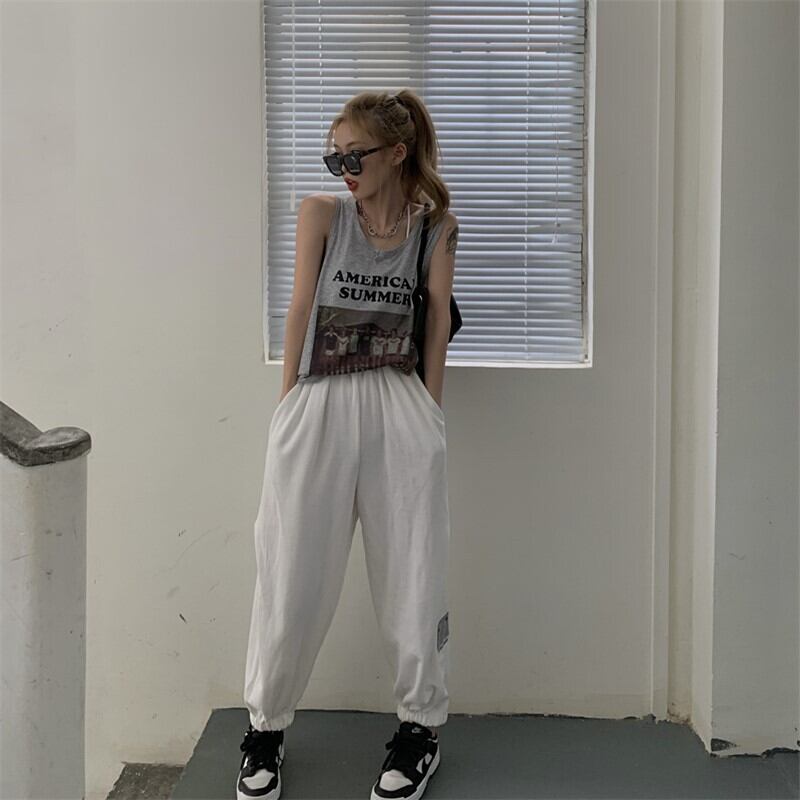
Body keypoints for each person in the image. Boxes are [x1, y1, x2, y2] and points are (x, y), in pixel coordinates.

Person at [236, 89, 459, 800]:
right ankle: (265, 729)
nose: (342, 170)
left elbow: (434, 327)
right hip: (319, 399)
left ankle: (420, 729)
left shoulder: (436, 226)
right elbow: (300, 307)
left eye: (353, 156)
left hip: (399, 403)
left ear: (396, 153)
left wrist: (427, 415)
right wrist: (288, 408)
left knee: (413, 570)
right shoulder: (324, 215)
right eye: (334, 157)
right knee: (291, 569)